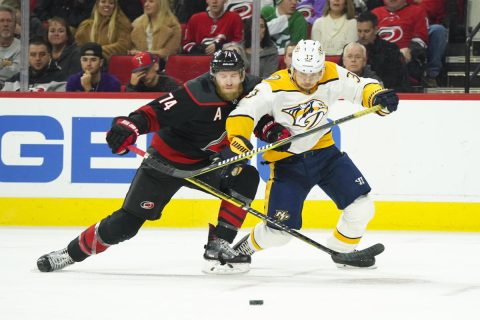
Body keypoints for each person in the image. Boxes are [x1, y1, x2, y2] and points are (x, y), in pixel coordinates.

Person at [36, 50, 262, 274]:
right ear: (213, 75)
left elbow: (279, 103)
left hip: (207, 163)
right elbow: (152, 114)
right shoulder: (195, 93)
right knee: (126, 225)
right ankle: (68, 254)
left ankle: (219, 246)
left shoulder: (256, 90)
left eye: (234, 75)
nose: (229, 81)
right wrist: (128, 128)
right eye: (223, 75)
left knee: (245, 177)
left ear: (243, 74)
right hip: (164, 164)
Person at [226, 40, 399, 268]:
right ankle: (241, 250)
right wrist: (238, 138)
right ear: (292, 67)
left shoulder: (332, 73)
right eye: (303, 73)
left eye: (314, 73)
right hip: (287, 164)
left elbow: (360, 87)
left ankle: (342, 250)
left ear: (322, 67)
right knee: (279, 233)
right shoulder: (272, 87)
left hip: (325, 154)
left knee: (362, 206)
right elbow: (244, 112)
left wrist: (378, 97)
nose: (308, 79)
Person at [372, 0, 428, 86]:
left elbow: (421, 39)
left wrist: (410, 49)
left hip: (405, 60)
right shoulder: (375, 13)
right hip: (378, 59)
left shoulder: (417, 11)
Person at [356, 10, 409, 92]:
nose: (362, 35)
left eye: (366, 31)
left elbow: (397, 81)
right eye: (359, 31)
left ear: (376, 29)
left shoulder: (390, 50)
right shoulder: (350, 50)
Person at [2, 37, 67, 91]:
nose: (38, 58)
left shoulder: (60, 79)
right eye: (33, 55)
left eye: (42, 54)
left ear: (49, 56)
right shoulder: (15, 81)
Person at [0, 4, 19, 90]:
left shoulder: (23, 48)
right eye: (1, 21)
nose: (5, 24)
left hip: (12, 92)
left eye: (9, 21)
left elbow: (17, 73)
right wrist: (7, 64)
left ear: (15, 25)